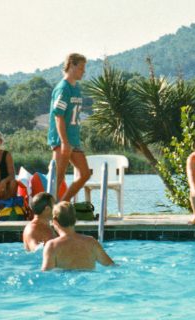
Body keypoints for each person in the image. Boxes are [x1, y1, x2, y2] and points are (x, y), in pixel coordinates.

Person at [48, 53, 91, 203]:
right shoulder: (63, 88)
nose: (83, 72)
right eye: (80, 68)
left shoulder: (76, 88)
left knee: (85, 173)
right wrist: (64, 142)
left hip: (73, 139)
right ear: (71, 66)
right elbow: (58, 116)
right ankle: (47, 211)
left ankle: (62, 203)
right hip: (62, 140)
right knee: (57, 177)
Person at [41, 202, 115, 271]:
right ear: (75, 219)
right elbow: (112, 265)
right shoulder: (91, 242)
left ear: (54, 221)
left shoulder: (52, 246)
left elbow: (46, 273)